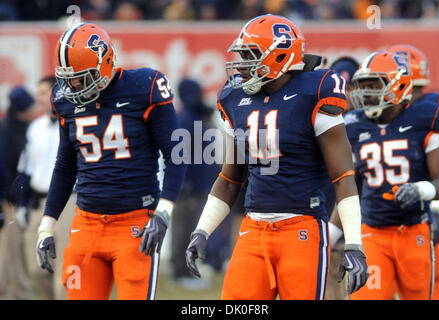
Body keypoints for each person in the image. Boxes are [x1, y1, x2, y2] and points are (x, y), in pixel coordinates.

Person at [185, 14, 368, 300]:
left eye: (250, 54)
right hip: (252, 228)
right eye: (242, 54)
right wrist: (202, 229)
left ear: (280, 56)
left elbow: (344, 177)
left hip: (302, 229)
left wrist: (354, 243)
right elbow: (230, 178)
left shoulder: (314, 91)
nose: (242, 63)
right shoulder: (235, 98)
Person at [35, 22, 186, 300]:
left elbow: (177, 153)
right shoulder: (64, 99)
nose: (75, 86)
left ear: (105, 63)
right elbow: (65, 165)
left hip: (135, 224)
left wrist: (163, 212)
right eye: (69, 78)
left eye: (82, 77)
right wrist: (47, 225)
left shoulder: (144, 86)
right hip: (85, 225)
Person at [341, 50, 439, 300]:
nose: (365, 93)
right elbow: (347, 186)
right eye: (362, 86)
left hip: (414, 232)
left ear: (397, 85)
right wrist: (335, 234)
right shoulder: (353, 125)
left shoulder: (424, 118)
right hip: (373, 233)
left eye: (372, 85)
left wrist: (422, 191)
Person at [387, 44, 439, 300]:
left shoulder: (432, 110)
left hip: (433, 205)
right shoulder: (378, 116)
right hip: (388, 213)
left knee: (436, 283)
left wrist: (436, 207)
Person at [14, 76, 76, 300]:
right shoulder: (36, 127)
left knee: (65, 264)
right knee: (36, 265)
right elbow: (26, 169)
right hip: (39, 201)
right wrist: (21, 203)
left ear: (56, 93)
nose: (37, 98)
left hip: (68, 201)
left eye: (42, 92)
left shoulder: (73, 120)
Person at [170, 78, 220, 289]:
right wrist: (186, 186)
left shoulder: (198, 115)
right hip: (189, 188)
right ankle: (180, 272)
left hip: (201, 186)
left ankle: (188, 270)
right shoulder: (184, 119)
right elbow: (179, 156)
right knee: (184, 229)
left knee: (194, 228)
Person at [326, 55, 360, 300]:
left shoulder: (363, 122)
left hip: (357, 207)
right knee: (328, 272)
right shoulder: (322, 118)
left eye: (350, 88)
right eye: (342, 86)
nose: (345, 94)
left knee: (356, 276)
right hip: (325, 202)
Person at [0, 86, 36, 300]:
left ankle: (20, 293)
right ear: (23, 108)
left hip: (23, 201)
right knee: (8, 255)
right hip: (9, 202)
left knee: (20, 255)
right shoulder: (6, 131)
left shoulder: (27, 128)